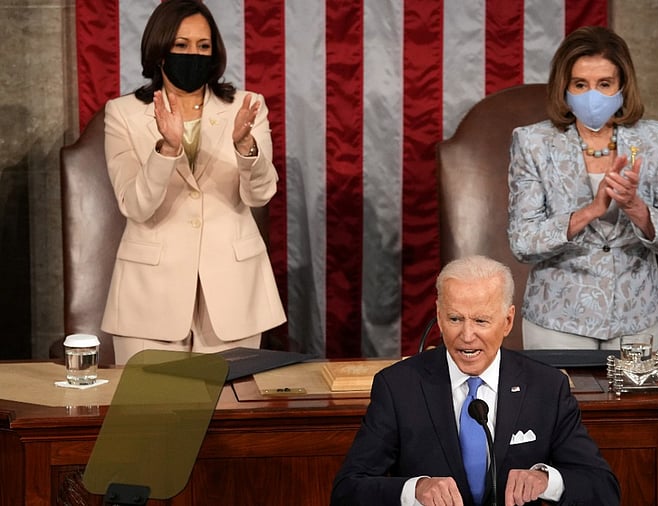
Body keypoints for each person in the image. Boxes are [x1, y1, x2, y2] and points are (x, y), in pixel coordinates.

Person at [331, 255, 620, 506]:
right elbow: (347, 491)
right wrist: (414, 490)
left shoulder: (546, 387)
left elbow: (603, 488)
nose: (467, 336)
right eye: (455, 319)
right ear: (439, 317)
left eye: (481, 321)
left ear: (507, 322)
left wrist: (547, 481)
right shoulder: (398, 387)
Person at [101, 0, 286, 364]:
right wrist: (166, 150)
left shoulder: (246, 107)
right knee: (151, 416)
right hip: (149, 301)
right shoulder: (122, 114)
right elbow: (135, 205)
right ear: (159, 50)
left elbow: (261, 194)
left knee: (229, 417)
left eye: (204, 46)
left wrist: (244, 146)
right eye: (182, 45)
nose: (194, 54)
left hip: (234, 295)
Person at [507, 26, 658, 352]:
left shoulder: (655, 139)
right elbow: (523, 242)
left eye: (604, 84)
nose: (593, 96)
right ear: (565, 88)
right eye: (580, 84)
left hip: (637, 318)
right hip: (559, 318)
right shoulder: (532, 142)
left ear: (622, 86)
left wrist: (636, 208)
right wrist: (591, 211)